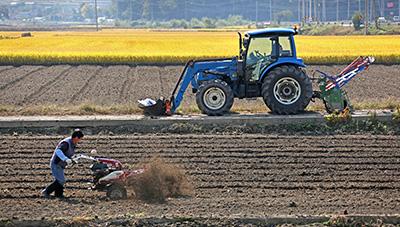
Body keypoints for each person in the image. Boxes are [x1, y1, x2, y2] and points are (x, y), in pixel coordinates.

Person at [41, 129, 84, 199]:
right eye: (80, 139)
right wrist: (65, 159)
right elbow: (58, 151)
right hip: (56, 164)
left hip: (61, 164)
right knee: (61, 180)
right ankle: (46, 192)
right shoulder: (66, 143)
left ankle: (58, 194)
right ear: (76, 137)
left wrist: (73, 159)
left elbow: (69, 153)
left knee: (59, 180)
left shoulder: (73, 143)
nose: (80, 141)